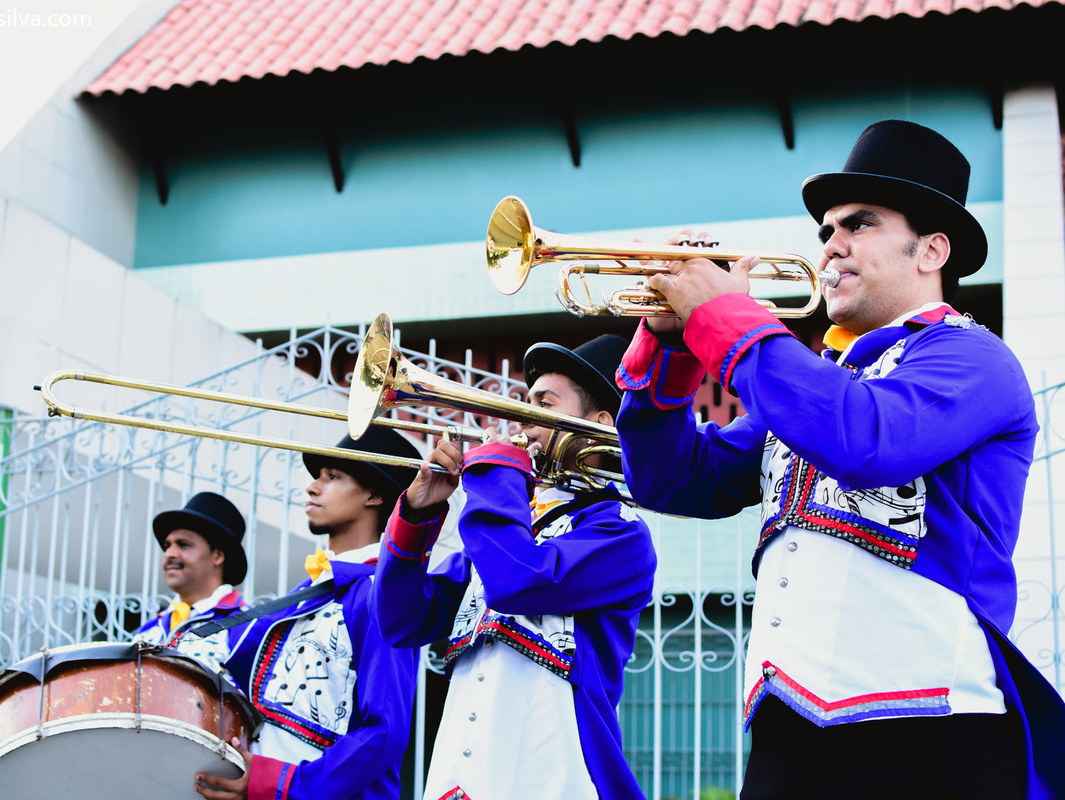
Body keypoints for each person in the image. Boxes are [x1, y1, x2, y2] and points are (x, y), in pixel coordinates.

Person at [614, 119, 1065, 799]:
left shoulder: (974, 358)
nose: (831, 245)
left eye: (860, 223)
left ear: (932, 250)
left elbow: (866, 440)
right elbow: (675, 481)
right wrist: (671, 347)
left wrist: (725, 317)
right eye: (827, 230)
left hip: (930, 730)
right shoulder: (819, 382)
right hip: (788, 733)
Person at [373, 335, 656, 800]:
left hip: (554, 777)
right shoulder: (507, 533)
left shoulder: (621, 534)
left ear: (598, 425)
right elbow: (401, 621)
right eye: (527, 404)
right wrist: (416, 516)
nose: (523, 419)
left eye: (544, 405)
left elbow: (517, 582)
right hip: (457, 780)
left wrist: (495, 474)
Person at [196, 426, 423, 800]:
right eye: (318, 477)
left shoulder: (382, 593)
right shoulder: (304, 594)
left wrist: (283, 784)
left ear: (374, 495)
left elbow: (384, 734)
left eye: (332, 477)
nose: (312, 488)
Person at [134, 490, 251, 673]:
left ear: (218, 556)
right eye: (167, 546)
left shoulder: (247, 629)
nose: (169, 554)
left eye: (183, 545)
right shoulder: (148, 630)